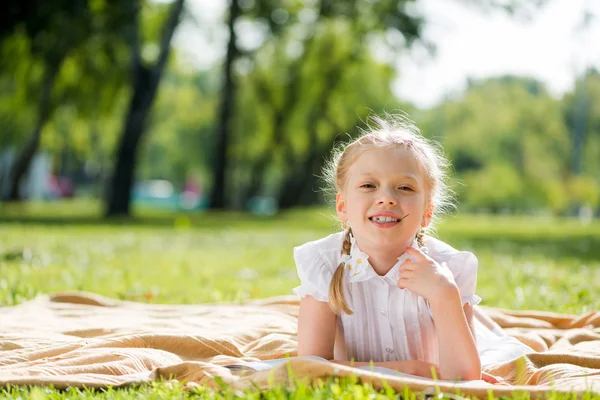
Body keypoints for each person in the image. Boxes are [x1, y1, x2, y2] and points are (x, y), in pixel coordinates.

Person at [293, 115, 532, 382]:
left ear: (427, 212)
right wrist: (414, 370)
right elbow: (311, 369)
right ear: (342, 207)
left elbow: (464, 377)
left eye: (404, 187)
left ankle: (489, 327)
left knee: (498, 343)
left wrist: (445, 296)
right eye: (368, 186)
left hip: (459, 333)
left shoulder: (448, 269)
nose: (386, 198)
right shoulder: (324, 264)